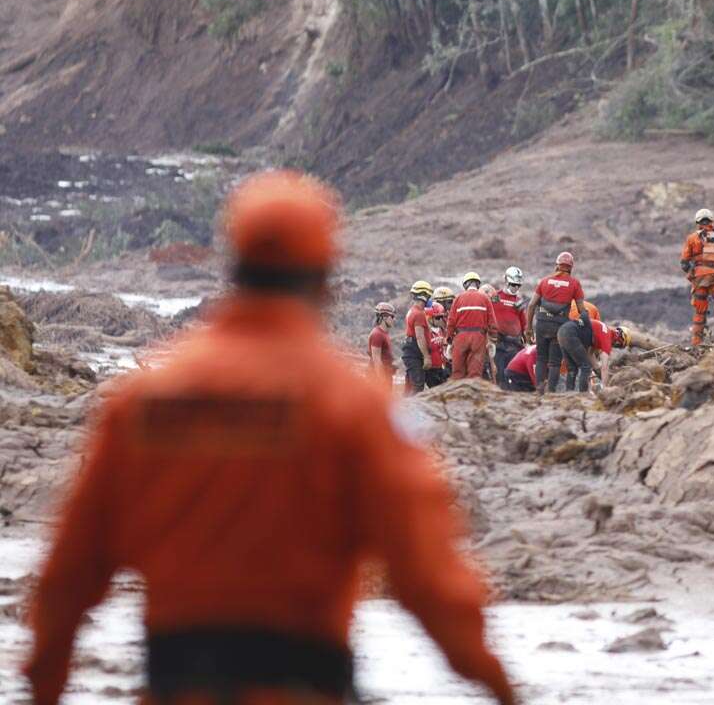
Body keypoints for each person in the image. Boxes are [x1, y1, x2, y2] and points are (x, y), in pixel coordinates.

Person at [22, 170, 517, 705]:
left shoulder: (142, 399)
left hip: (174, 687)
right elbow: (430, 579)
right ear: (326, 278)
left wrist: (45, 687)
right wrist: (497, 685)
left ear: (233, 268)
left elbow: (67, 577)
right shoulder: (352, 407)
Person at [524, 252, 589, 394]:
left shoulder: (544, 281)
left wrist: (528, 328)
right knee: (554, 362)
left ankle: (539, 391)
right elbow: (581, 310)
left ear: (557, 266)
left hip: (541, 324)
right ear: (570, 268)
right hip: (559, 326)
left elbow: (531, 305)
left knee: (541, 358)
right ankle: (551, 392)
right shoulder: (574, 283)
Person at [680, 208, 714, 345]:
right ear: (712, 222)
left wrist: (692, 270)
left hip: (699, 279)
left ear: (698, 223)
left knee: (699, 311)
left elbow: (684, 263)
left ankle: (697, 343)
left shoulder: (692, 238)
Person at [556, 319, 630, 392]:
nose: (615, 347)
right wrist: (605, 388)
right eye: (619, 346)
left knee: (572, 368)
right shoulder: (607, 339)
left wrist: (597, 369)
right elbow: (605, 368)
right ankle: (583, 395)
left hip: (562, 330)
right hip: (572, 334)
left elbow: (589, 354)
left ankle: (569, 393)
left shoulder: (602, 331)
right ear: (621, 339)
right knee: (586, 367)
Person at [448, 272, 497, 380]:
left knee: (457, 373)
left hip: (461, 337)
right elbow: (492, 323)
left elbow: (451, 322)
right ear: (478, 285)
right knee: (475, 374)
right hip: (478, 338)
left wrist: (449, 340)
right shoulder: (485, 299)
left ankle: (456, 395)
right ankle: (472, 395)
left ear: (465, 285)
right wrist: (493, 340)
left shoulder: (458, 298)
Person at [493, 267, 528, 390]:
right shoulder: (496, 297)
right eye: (513, 285)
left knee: (512, 372)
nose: (515, 288)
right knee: (499, 374)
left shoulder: (518, 301)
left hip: (514, 344)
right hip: (498, 343)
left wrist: (527, 338)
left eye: (518, 285)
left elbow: (524, 323)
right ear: (506, 281)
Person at [401, 280, 435, 393]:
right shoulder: (419, 314)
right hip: (414, 352)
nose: (429, 298)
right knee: (418, 385)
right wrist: (426, 356)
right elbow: (420, 337)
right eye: (428, 295)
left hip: (410, 351)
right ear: (424, 295)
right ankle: (412, 409)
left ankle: (404, 407)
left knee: (410, 385)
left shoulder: (412, 311)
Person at [367, 301, 397, 389]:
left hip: (385, 376)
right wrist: (382, 381)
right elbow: (376, 360)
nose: (394, 319)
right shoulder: (377, 334)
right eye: (392, 316)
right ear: (384, 317)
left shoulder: (384, 333)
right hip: (377, 378)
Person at [426, 302, 450, 387]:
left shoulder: (440, 331)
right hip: (431, 370)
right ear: (429, 318)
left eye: (442, 317)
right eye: (438, 317)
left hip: (442, 368)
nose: (440, 320)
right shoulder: (425, 332)